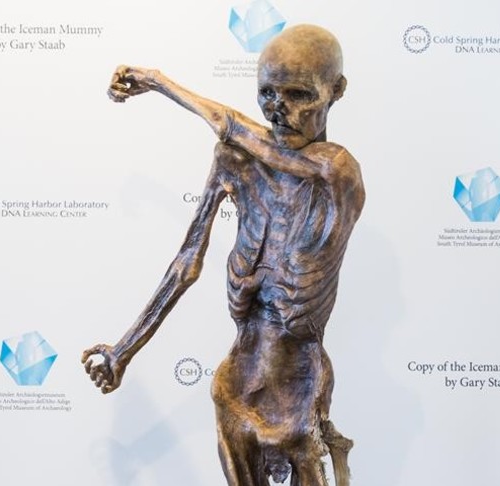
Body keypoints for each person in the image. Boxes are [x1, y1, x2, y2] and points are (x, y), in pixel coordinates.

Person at [82, 25, 364, 486]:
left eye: (299, 95)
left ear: (336, 91)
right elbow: (186, 262)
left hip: (301, 385)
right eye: (268, 94)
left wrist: (158, 81)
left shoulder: (337, 172)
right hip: (237, 379)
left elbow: (232, 126)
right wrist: (123, 350)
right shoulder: (236, 161)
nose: (280, 110)